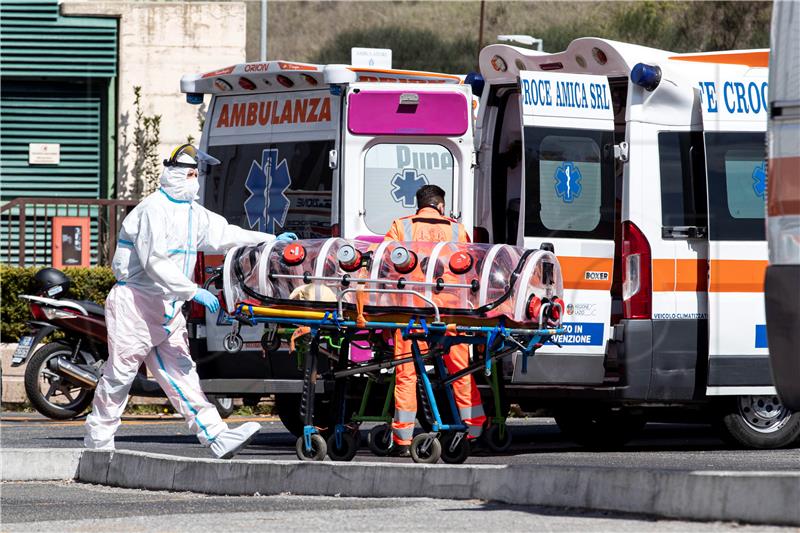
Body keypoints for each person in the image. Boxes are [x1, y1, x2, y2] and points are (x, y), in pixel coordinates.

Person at [84, 144, 297, 459]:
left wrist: (268, 241)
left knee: (183, 373)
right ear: (174, 175)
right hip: (136, 303)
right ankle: (98, 441)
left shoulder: (192, 213)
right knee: (121, 374)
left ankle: (215, 435)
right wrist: (191, 290)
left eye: (197, 174)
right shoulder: (152, 209)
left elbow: (225, 233)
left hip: (167, 305)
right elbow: (154, 260)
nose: (195, 180)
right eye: (191, 174)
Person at [384, 184, 486, 456]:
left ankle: (403, 438)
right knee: (459, 371)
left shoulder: (401, 227)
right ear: (441, 206)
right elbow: (469, 268)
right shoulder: (456, 230)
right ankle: (473, 429)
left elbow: (384, 266)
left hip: (411, 313)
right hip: (451, 311)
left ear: (418, 205)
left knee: (407, 373)